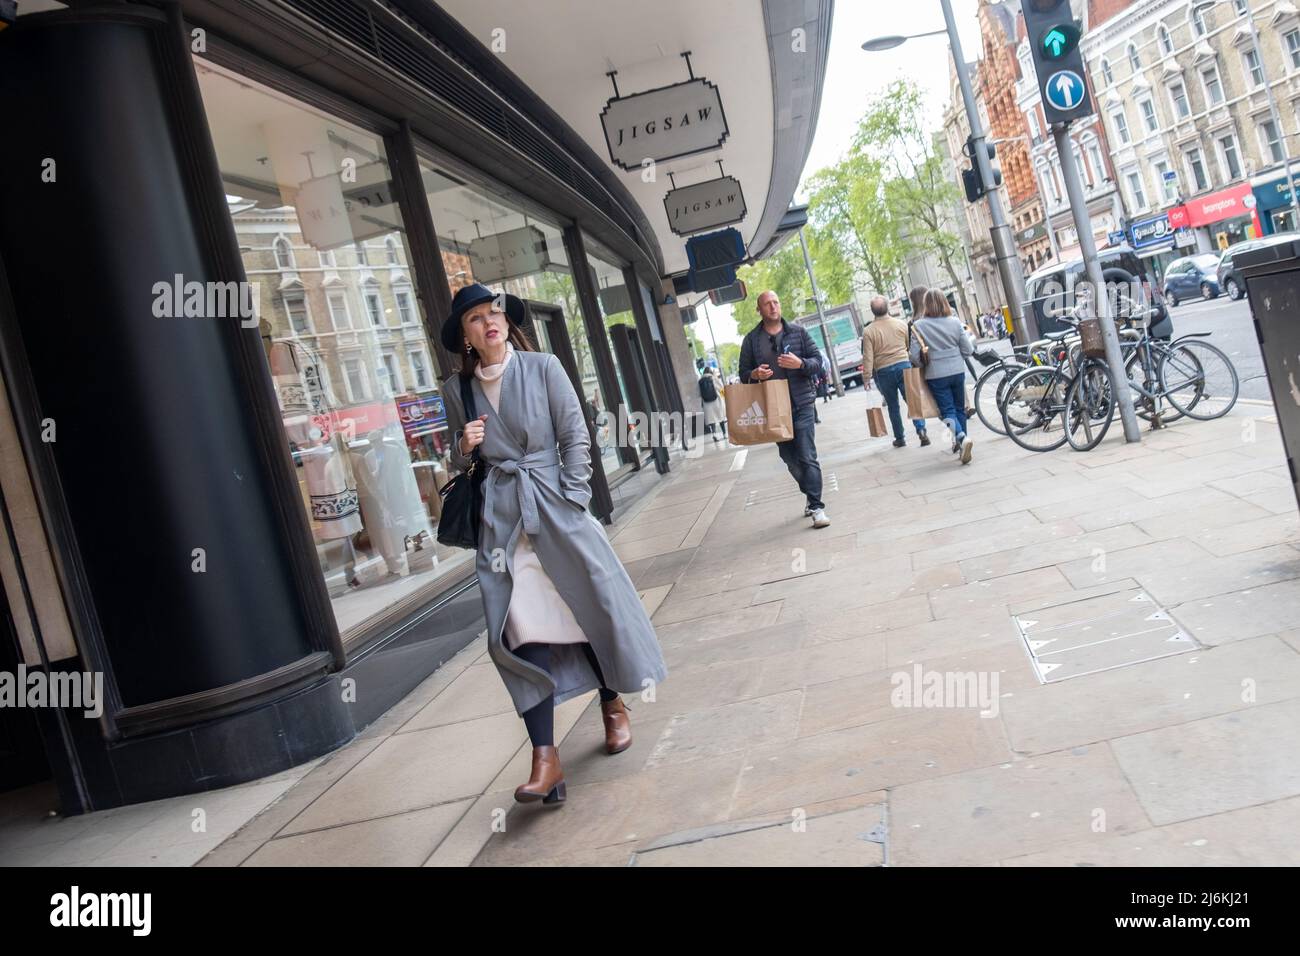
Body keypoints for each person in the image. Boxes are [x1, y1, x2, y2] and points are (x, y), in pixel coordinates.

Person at [441, 283, 668, 806]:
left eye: (492, 313)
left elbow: (575, 434)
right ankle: (546, 757)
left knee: (586, 609)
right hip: (504, 524)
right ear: (467, 335)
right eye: (474, 319)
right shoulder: (460, 390)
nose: (487, 323)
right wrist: (463, 447)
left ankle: (613, 705)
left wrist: (572, 496)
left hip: (556, 509)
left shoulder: (543, 367)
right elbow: (463, 463)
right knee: (518, 633)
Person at [738, 291, 829, 528]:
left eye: (776, 302)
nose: (773, 307)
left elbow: (818, 363)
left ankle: (817, 507)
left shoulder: (798, 332)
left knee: (807, 455)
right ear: (759, 310)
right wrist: (754, 375)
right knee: (790, 460)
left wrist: (801, 364)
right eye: (767, 304)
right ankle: (810, 494)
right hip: (774, 409)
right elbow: (743, 374)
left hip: (802, 404)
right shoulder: (751, 340)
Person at [909, 288, 975, 465]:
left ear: (926, 305)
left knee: (947, 411)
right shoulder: (954, 322)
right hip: (957, 370)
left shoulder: (919, 326)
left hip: (935, 374)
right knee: (960, 408)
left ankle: (961, 437)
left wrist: (924, 364)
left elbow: (914, 355)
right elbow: (968, 349)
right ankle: (963, 441)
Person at [862, 293, 929, 449]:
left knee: (893, 406)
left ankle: (900, 437)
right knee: (912, 401)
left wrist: (866, 378)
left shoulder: (868, 331)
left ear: (873, 311)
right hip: (903, 365)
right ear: (887, 307)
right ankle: (921, 430)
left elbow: (868, 357)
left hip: (883, 370)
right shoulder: (901, 324)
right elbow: (906, 345)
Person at [699, 364, 727, 442]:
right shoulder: (714, 378)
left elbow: (698, 394)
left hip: (706, 403)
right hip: (716, 401)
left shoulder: (700, 381)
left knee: (712, 420)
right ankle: (724, 434)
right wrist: (723, 396)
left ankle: (714, 434)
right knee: (720, 418)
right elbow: (721, 388)